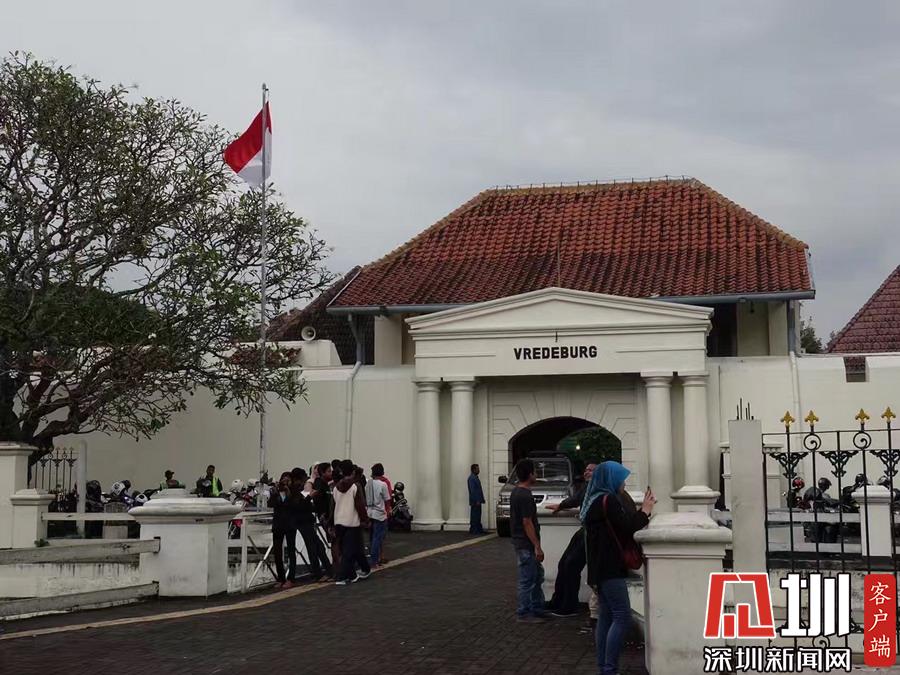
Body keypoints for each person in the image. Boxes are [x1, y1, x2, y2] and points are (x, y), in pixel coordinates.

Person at [583, 461, 655, 674]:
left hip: (599, 568)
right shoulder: (609, 501)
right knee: (622, 617)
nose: (624, 483)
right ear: (611, 480)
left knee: (605, 617)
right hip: (610, 568)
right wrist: (645, 511)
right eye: (621, 479)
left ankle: (604, 667)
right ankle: (609, 668)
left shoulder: (593, 501)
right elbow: (628, 527)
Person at [545, 462, 597, 617]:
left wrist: (562, 505)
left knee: (571, 565)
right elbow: (576, 499)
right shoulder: (588, 487)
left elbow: (577, 500)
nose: (587, 472)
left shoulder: (598, 487)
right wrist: (561, 505)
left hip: (591, 532)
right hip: (584, 529)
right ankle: (558, 601)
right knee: (564, 563)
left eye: (591, 470)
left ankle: (569, 606)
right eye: (586, 470)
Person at [509, 458, 548, 623]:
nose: (536, 474)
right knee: (528, 580)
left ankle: (537, 608)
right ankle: (524, 613)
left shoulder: (516, 492)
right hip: (526, 544)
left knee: (537, 576)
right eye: (535, 471)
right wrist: (537, 546)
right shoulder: (525, 495)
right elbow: (527, 522)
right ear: (530, 474)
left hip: (521, 542)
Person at [333, 459, 371, 585]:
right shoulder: (355, 486)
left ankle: (359, 571)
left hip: (338, 521)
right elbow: (360, 506)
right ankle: (343, 576)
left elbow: (333, 505)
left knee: (351, 548)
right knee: (349, 551)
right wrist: (365, 520)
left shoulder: (335, 487)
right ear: (353, 471)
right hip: (352, 522)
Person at [291, 467, 331, 581]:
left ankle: (319, 571)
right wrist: (310, 498)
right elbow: (299, 506)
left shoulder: (296, 490)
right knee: (315, 546)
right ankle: (320, 572)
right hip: (304, 521)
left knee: (315, 546)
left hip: (303, 521)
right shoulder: (296, 490)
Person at [268, 471, 298, 588]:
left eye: (288, 480)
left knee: (291, 552)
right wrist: (276, 492)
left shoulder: (294, 492)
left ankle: (291, 578)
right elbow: (270, 504)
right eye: (283, 480)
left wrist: (288, 492)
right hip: (278, 525)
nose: (285, 483)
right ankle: (280, 578)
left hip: (290, 525)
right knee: (277, 552)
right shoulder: (276, 492)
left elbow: (295, 505)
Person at [365, 463, 391, 567]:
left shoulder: (368, 483)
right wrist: (387, 511)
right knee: (377, 538)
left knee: (372, 537)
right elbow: (387, 499)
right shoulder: (383, 484)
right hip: (379, 513)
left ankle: (371, 557)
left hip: (369, 512)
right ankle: (374, 560)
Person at [468, 463, 486, 534]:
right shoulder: (472, 478)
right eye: (477, 469)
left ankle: (477, 529)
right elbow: (473, 491)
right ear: (473, 470)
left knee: (478, 515)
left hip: (478, 500)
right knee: (475, 515)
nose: (479, 470)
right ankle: (475, 530)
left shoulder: (475, 477)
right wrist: (477, 500)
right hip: (475, 501)